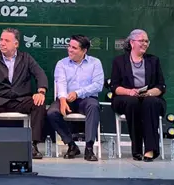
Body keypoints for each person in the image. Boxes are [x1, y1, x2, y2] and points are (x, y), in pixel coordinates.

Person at [0, 28, 48, 159]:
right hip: (0, 100)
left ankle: (33, 145)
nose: (2, 43)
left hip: (20, 100)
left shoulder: (26, 58)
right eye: (1, 40)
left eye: (6, 40)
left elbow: (40, 74)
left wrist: (41, 91)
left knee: (39, 103)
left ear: (16, 44)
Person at [110, 29, 166, 162]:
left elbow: (161, 86)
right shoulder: (119, 61)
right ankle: (137, 150)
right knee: (133, 102)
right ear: (132, 43)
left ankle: (150, 150)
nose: (145, 44)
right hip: (126, 98)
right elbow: (114, 87)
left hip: (149, 97)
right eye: (142, 41)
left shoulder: (153, 60)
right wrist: (129, 92)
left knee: (150, 102)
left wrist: (149, 93)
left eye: (147, 41)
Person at [47, 35, 104, 161]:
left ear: (84, 51)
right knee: (52, 112)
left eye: (74, 48)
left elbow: (98, 85)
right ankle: (71, 145)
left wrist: (78, 93)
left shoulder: (95, 63)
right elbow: (61, 83)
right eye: (69, 46)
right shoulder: (62, 63)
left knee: (93, 106)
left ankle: (89, 148)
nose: (70, 50)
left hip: (87, 99)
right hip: (66, 99)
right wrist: (62, 100)